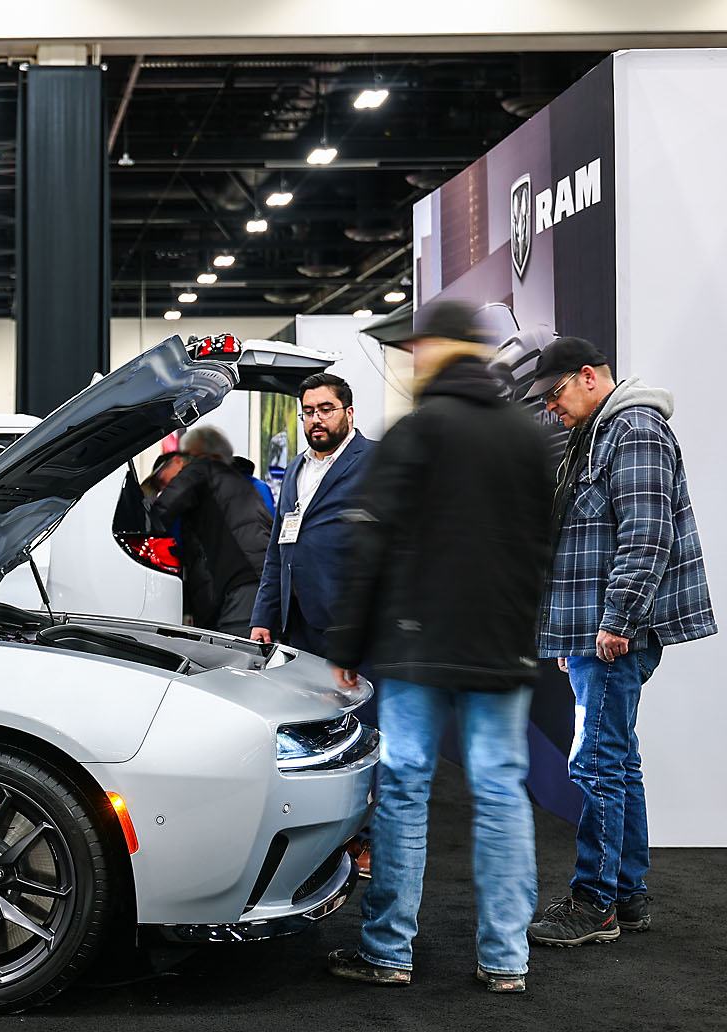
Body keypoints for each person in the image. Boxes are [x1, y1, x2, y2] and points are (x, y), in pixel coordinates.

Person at [323, 299, 554, 994]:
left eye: (418, 346)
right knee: (501, 793)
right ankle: (506, 960)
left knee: (403, 790)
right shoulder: (526, 433)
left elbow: (372, 540)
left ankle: (389, 949)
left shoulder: (416, 431)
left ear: (437, 347)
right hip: (502, 646)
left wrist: (347, 640)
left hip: (417, 645)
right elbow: (540, 544)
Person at [523, 337, 716, 946]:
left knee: (598, 761)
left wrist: (618, 622)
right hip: (595, 630)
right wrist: (572, 628)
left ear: (587, 377)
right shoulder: (600, 431)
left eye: (555, 396)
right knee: (616, 759)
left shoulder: (632, 429)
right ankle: (627, 895)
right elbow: (586, 539)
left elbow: (646, 535)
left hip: (614, 632)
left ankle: (595, 901)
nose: (552, 410)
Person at [248, 373, 373, 656]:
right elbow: (276, 552)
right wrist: (263, 617)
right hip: (297, 624)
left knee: (355, 701)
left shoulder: (375, 461)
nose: (316, 418)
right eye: (308, 411)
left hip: (353, 626)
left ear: (349, 413)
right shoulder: (295, 468)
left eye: (326, 409)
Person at [150, 426, 272, 636]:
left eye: (162, 480)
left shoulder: (199, 471)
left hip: (235, 588)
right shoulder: (251, 485)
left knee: (235, 658)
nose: (163, 487)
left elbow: (160, 516)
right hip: (264, 588)